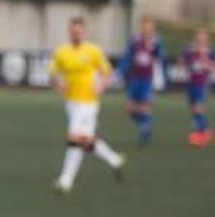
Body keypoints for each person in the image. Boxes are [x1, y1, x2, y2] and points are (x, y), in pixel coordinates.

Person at [50, 16, 126, 194]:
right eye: (73, 30)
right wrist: (59, 86)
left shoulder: (93, 51)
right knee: (85, 140)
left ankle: (66, 181)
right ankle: (114, 159)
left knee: (74, 138)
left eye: (79, 30)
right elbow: (53, 73)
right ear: (70, 32)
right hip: (71, 102)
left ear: (83, 32)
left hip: (89, 103)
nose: (76, 33)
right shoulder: (62, 52)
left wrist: (101, 86)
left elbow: (107, 71)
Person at [118, 15, 167, 144]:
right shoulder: (135, 41)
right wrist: (119, 72)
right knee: (130, 110)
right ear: (141, 27)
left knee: (145, 106)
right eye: (145, 26)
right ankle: (145, 123)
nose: (147, 30)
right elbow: (127, 58)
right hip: (135, 79)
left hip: (148, 79)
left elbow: (161, 58)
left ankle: (145, 129)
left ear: (153, 28)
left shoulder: (157, 42)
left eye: (149, 27)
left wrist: (156, 50)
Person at [181, 28, 215, 147]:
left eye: (203, 37)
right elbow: (183, 62)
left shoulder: (210, 52)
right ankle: (206, 130)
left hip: (202, 83)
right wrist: (186, 63)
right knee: (193, 108)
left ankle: (201, 135)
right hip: (191, 83)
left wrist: (205, 62)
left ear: (207, 39)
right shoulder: (190, 50)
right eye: (199, 37)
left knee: (198, 108)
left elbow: (213, 66)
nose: (201, 39)